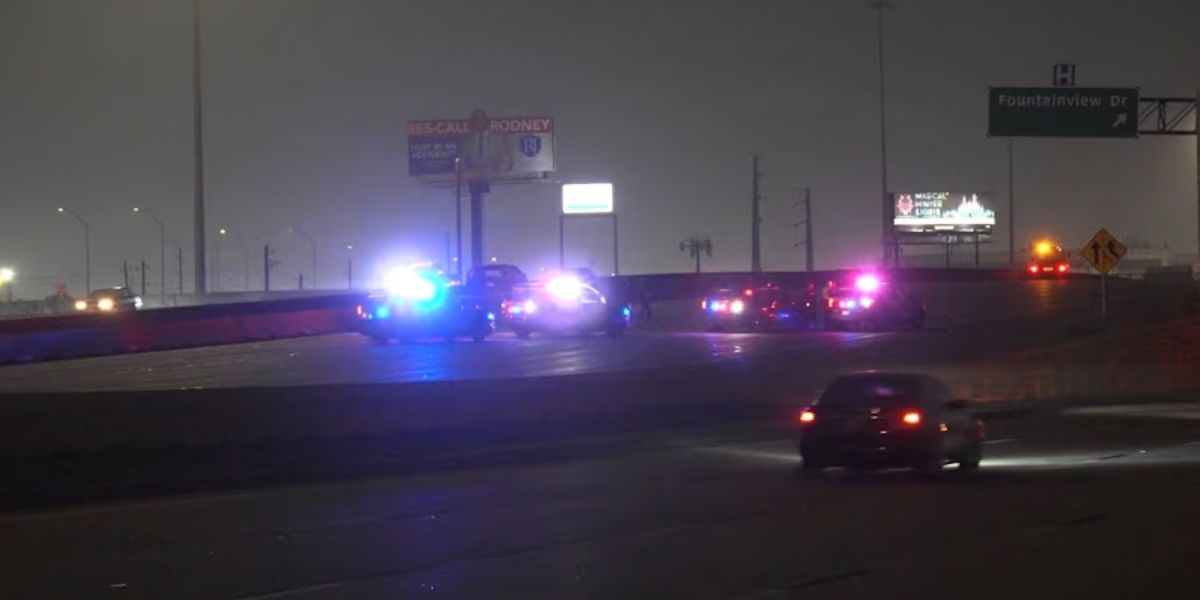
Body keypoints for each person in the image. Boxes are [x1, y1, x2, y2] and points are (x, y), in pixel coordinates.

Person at [457, 110, 513, 176]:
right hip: (472, 181)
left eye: (481, 119)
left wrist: (496, 174)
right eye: (476, 119)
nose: (478, 121)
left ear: (486, 121)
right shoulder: (466, 141)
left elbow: (506, 161)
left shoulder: (497, 139)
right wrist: (469, 174)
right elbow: (461, 163)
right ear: (472, 122)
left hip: (494, 181)